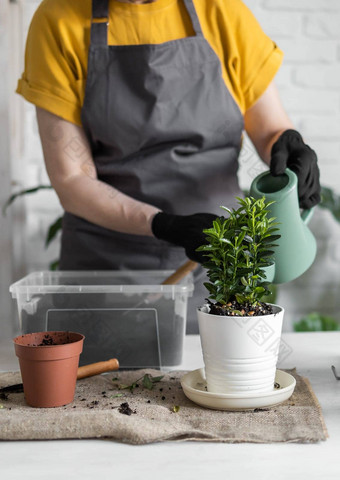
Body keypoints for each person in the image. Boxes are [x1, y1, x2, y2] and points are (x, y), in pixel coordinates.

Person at [16, 0, 320, 333]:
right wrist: (163, 224)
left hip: (216, 263)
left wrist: (287, 143)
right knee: (103, 382)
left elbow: (269, 129)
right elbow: (72, 178)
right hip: (107, 273)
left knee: (215, 375)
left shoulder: (220, 11)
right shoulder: (58, 20)